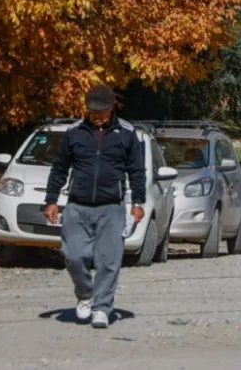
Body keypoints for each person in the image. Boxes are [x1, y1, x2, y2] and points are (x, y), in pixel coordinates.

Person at [43, 85, 145, 329]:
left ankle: (102, 308)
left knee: (109, 260)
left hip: (112, 207)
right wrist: (51, 199)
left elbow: (136, 171)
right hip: (77, 206)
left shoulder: (127, 133)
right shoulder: (74, 133)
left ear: (112, 107)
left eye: (102, 110)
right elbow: (59, 168)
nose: (97, 115)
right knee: (73, 255)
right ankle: (85, 294)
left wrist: (138, 203)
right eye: (92, 111)